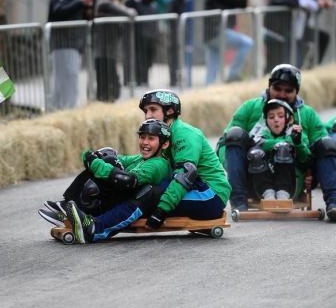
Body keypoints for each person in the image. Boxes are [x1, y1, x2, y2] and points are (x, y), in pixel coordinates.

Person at [217, 63, 336, 221]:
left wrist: (312, 175)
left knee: (327, 144)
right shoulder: (250, 107)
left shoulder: (307, 115)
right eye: (277, 89)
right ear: (269, 87)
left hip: (293, 180)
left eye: (288, 91)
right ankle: (239, 201)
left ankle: (333, 203)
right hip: (254, 175)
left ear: (297, 92)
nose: (282, 94)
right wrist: (236, 167)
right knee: (233, 134)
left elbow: (318, 151)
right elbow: (223, 145)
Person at [38, 119, 171, 243]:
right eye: (142, 137)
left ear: (164, 144)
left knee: (112, 170)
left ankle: (94, 228)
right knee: (109, 158)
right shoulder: (140, 159)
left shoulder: (159, 164)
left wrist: (95, 163)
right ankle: (69, 206)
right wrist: (93, 156)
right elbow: (114, 159)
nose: (145, 142)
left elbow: (127, 181)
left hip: (133, 201)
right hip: (118, 198)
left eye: (151, 138)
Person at [137, 89, 231, 229]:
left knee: (148, 199)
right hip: (193, 186)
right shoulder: (163, 134)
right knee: (144, 191)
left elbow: (186, 174)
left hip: (211, 194)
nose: (147, 116)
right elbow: (146, 162)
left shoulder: (184, 133)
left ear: (169, 111)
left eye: (152, 110)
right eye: (145, 111)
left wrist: (161, 210)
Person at [47, 0, 93, 109]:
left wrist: (86, 10)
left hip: (71, 47)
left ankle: (61, 111)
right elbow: (58, 12)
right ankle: (65, 110)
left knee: (66, 82)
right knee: (66, 82)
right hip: (63, 46)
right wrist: (81, 3)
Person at [248, 99, 311, 200]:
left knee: (283, 148)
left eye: (280, 116)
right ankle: (268, 194)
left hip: (292, 187)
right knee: (255, 153)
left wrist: (298, 143)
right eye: (271, 117)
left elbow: (306, 159)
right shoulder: (261, 134)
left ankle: (283, 194)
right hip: (263, 191)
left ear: (289, 119)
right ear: (266, 120)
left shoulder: (296, 133)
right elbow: (256, 144)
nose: (276, 120)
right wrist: (285, 141)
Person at [204, 0, 253, 84]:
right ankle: (233, 75)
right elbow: (240, 4)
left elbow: (240, 4)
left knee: (212, 68)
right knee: (247, 42)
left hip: (211, 34)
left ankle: (208, 89)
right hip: (217, 32)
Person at [94, 0, 136, 102]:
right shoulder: (104, 3)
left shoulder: (112, 4)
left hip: (110, 51)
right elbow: (131, 13)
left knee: (112, 85)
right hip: (102, 52)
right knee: (106, 85)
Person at [265, 0, 299, 73]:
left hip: (282, 30)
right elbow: (282, 1)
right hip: (273, 30)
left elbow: (295, 3)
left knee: (281, 57)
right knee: (273, 58)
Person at [125, 0, 159, 85]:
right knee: (140, 60)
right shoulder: (137, 4)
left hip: (151, 38)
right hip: (140, 37)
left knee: (148, 61)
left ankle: (145, 80)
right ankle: (139, 80)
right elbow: (128, 3)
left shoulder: (153, 6)